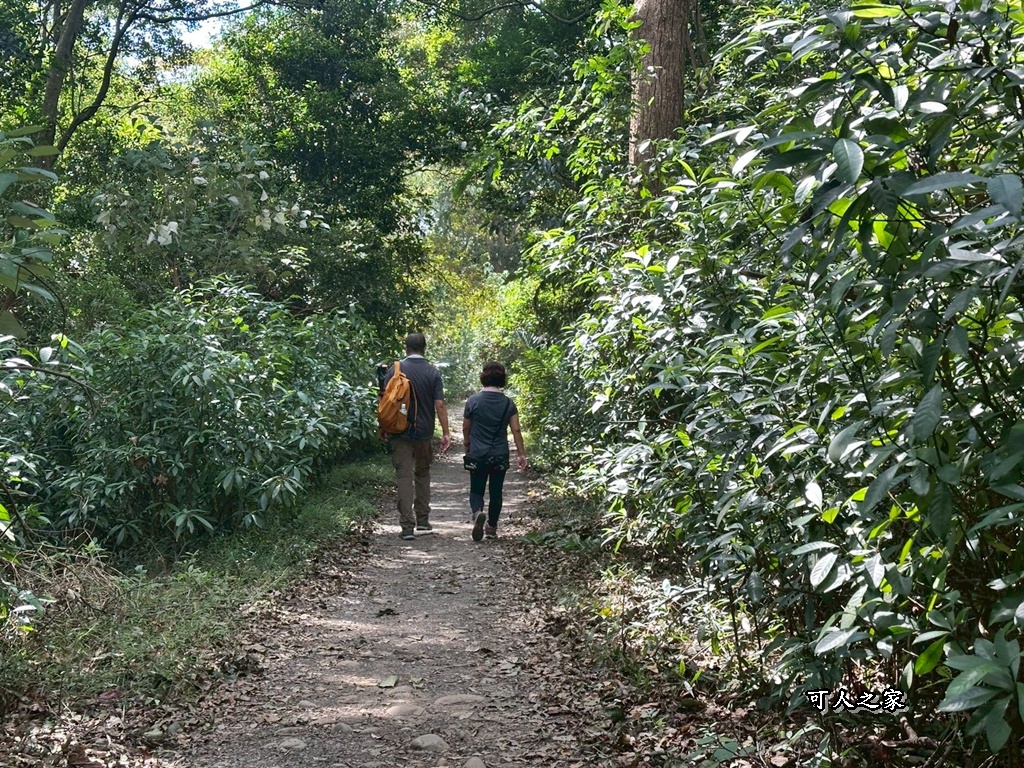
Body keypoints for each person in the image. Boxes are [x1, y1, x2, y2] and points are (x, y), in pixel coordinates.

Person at [380, 333, 452, 540]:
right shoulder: (433, 372)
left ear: (406, 349)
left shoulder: (395, 369)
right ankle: (422, 520)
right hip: (423, 433)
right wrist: (445, 432)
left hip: (398, 431)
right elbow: (439, 404)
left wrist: (383, 426)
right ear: (425, 349)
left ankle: (406, 527)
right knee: (422, 474)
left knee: (404, 477)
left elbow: (384, 400)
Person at [462, 361, 527, 542]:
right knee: (496, 491)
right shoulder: (508, 403)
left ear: (483, 377)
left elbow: (466, 428)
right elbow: (516, 430)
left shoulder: (473, 401)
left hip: (477, 454)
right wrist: (521, 454)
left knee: (476, 489)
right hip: (499, 454)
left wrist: (467, 445)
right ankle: (492, 526)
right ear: (502, 379)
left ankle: (477, 513)